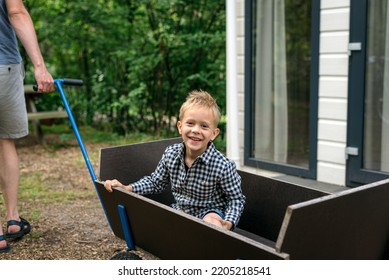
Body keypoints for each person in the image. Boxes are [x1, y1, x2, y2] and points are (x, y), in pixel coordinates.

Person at [104, 90, 245, 230]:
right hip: (180, 212)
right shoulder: (171, 154)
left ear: (213, 134)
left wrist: (229, 222)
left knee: (211, 221)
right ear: (180, 127)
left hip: (209, 212)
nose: (196, 130)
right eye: (190, 123)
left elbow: (236, 199)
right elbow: (155, 182)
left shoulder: (223, 166)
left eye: (204, 126)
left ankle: (211, 244)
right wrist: (127, 188)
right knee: (153, 220)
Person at [0, 0, 54, 253]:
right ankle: (12, 220)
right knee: (5, 140)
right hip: (5, 66)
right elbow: (17, 11)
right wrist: (40, 67)